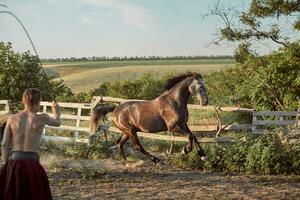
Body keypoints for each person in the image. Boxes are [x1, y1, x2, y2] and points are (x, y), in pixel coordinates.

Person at [0, 88, 61, 200]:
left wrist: (7, 164)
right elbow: (57, 122)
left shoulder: (12, 118)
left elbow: (4, 144)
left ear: (23, 100)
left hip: (14, 163)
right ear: (38, 102)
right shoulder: (42, 118)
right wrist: (56, 112)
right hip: (32, 164)